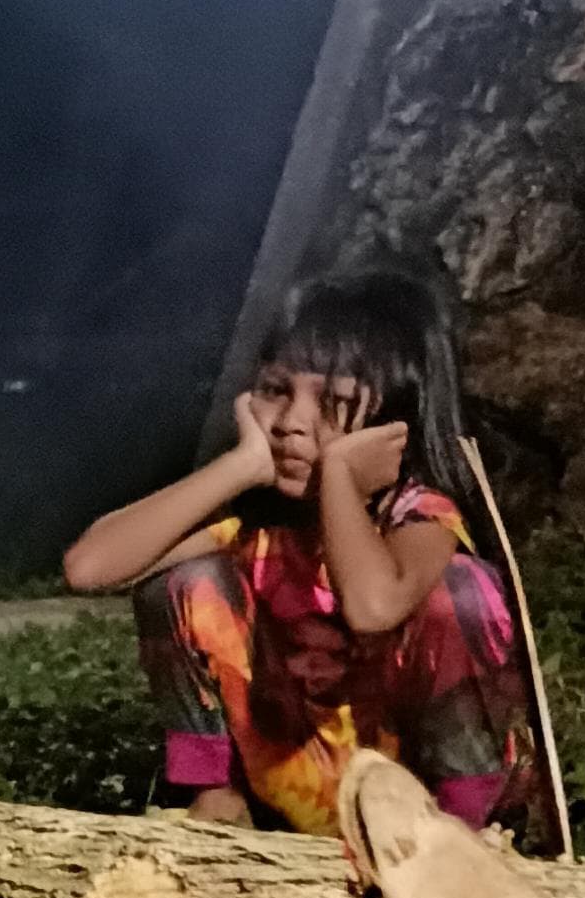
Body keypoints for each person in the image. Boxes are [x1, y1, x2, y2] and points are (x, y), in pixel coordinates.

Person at [62, 264, 539, 836]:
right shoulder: (252, 525)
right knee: (183, 584)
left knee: (463, 594)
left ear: (395, 422)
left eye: (333, 401)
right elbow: (89, 568)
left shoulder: (418, 513)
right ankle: (217, 802)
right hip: (298, 786)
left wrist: (338, 475)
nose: (292, 422)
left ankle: (466, 824)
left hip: (412, 800)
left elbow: (373, 606)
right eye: (274, 390)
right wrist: (240, 465)